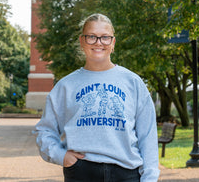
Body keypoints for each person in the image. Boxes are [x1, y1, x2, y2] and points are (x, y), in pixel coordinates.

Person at [35, 13, 160, 182]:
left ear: (113, 42)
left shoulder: (133, 83)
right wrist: (61, 155)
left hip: (126, 174)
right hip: (81, 173)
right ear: (81, 41)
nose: (98, 42)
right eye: (91, 37)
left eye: (105, 37)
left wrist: (150, 178)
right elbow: (45, 130)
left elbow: (148, 136)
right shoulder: (65, 86)